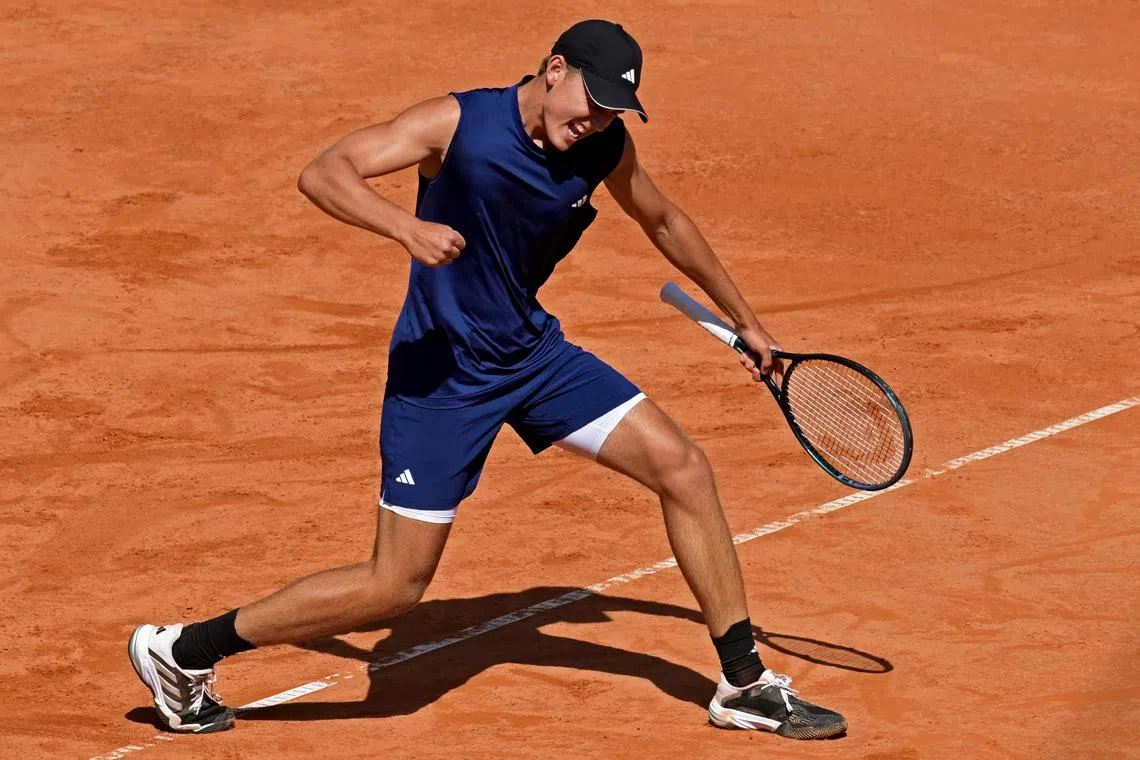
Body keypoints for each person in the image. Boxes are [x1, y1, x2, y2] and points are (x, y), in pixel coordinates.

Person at [128, 19, 846, 740]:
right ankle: (182, 651)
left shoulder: (602, 146)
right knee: (395, 587)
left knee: (684, 469)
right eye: (589, 100)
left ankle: (744, 683)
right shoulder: (458, 124)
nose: (594, 119)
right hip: (442, 375)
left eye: (612, 110)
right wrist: (403, 228)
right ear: (554, 68)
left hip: (531, 357)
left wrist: (746, 320)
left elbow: (661, 220)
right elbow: (325, 172)